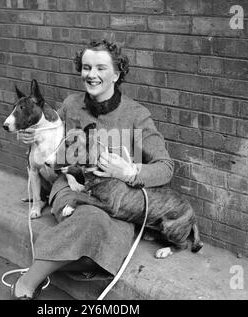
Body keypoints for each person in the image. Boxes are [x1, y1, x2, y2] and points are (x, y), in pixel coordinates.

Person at [12, 39, 174, 299]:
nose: (92, 74)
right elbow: (47, 146)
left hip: (118, 201)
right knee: (91, 219)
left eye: (100, 68)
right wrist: (30, 137)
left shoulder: (136, 115)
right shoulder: (71, 106)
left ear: (117, 74)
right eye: (86, 67)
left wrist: (131, 172)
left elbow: (166, 168)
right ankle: (28, 281)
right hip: (71, 189)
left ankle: (55, 256)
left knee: (102, 254)